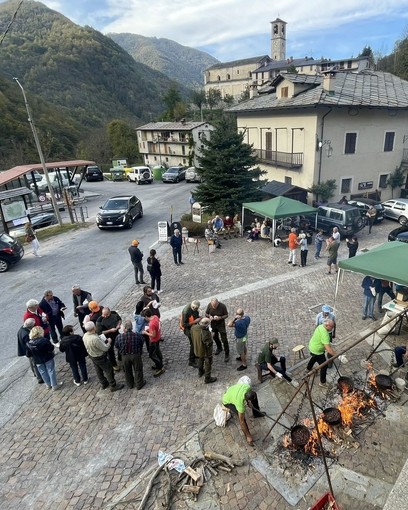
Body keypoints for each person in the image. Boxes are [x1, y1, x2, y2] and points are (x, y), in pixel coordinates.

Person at [82, 321, 124, 392]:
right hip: (100, 356)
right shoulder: (94, 339)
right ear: (93, 328)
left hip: (92, 355)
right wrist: (109, 341)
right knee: (109, 369)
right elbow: (105, 348)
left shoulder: (85, 335)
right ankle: (113, 385)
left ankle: (104, 383)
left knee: (98, 370)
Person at [222, 380, 264, 446]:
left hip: (232, 391)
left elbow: (248, 396)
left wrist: (248, 402)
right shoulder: (240, 404)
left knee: (254, 396)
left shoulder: (247, 387)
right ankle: (247, 436)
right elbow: (241, 422)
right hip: (227, 400)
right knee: (242, 419)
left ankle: (257, 414)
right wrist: (248, 436)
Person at [26, 326, 62, 390]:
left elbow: (28, 354)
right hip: (47, 357)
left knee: (42, 372)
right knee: (51, 370)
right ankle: (54, 385)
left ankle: (48, 385)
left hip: (37, 360)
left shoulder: (29, 344)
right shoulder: (44, 340)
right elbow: (51, 348)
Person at [115, 320, 146, 389]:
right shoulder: (137, 335)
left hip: (125, 356)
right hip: (135, 355)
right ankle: (139, 384)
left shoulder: (119, 337)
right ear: (132, 328)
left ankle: (130, 384)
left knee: (127, 371)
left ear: (124, 328)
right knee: (138, 370)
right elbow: (142, 341)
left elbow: (116, 346)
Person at [306, 320, 337, 387]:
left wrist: (327, 343)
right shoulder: (325, 334)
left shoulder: (320, 326)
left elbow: (323, 340)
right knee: (324, 365)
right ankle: (322, 382)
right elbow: (328, 349)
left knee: (314, 357)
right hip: (317, 351)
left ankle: (308, 368)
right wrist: (338, 355)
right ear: (327, 325)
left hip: (312, 346)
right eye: (332, 327)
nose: (332, 329)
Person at [190, 318, 217, 384]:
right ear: (207, 324)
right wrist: (212, 336)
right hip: (205, 351)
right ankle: (207, 378)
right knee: (208, 363)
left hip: (197, 348)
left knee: (200, 359)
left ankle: (200, 372)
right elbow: (208, 343)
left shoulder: (194, 328)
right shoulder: (205, 332)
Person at [17, 318, 43, 384]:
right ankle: (39, 377)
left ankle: (35, 373)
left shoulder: (21, 329)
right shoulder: (26, 334)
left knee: (32, 363)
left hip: (27, 350)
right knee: (35, 363)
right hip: (30, 351)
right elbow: (29, 344)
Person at [205, 297, 230, 362]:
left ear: (217, 303)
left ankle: (227, 354)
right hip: (213, 324)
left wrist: (220, 317)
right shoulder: (209, 305)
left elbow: (226, 315)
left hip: (221, 324)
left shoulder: (222, 306)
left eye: (215, 305)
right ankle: (219, 347)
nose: (214, 307)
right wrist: (209, 316)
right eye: (213, 306)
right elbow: (206, 313)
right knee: (215, 337)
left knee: (224, 339)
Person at [181, 300, 202, 368]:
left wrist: (199, 317)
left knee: (193, 343)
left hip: (193, 328)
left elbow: (195, 315)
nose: (194, 309)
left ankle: (195, 355)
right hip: (188, 330)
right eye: (194, 308)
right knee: (193, 344)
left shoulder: (194, 308)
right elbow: (184, 324)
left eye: (196, 308)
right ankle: (191, 361)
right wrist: (195, 321)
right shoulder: (186, 312)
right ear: (192, 306)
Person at [144, 309, 165, 377]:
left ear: (147, 316)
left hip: (154, 340)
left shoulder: (151, 324)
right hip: (158, 338)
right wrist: (150, 329)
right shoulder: (155, 317)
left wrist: (146, 332)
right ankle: (160, 363)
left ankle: (160, 367)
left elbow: (153, 335)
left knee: (152, 355)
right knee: (157, 351)